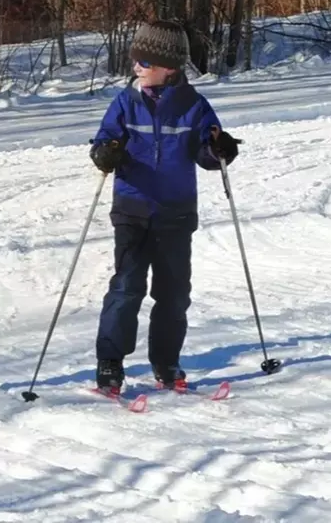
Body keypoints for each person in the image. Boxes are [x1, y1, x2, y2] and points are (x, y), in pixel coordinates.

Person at [88, 20, 239, 395]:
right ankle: (110, 362)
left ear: (168, 67)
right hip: (133, 209)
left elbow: (207, 151)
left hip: (175, 211)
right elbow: (104, 141)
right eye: (134, 59)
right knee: (126, 287)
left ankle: (166, 360)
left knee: (173, 293)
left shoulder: (194, 107)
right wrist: (105, 153)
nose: (135, 66)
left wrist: (221, 150)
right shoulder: (126, 101)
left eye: (143, 61)